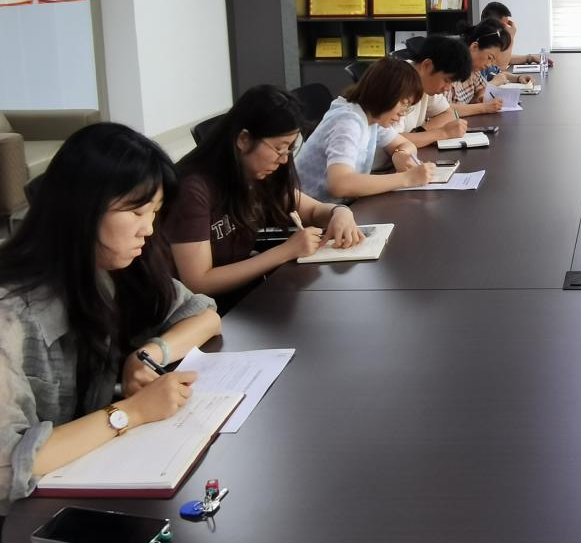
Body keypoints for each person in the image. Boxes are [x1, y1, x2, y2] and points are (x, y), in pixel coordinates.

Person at [0, 124, 221, 515]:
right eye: (137, 211)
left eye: (154, 213)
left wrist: (148, 353)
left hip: (87, 479)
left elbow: (204, 315)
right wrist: (131, 413)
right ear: (82, 208)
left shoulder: (111, 265)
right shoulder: (10, 314)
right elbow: (8, 467)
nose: (148, 229)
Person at [162, 85, 366, 304]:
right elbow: (198, 282)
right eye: (279, 148)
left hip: (244, 294)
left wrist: (340, 213)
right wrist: (286, 251)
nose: (284, 159)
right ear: (243, 139)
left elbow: (314, 210)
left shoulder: (256, 173)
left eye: (289, 148)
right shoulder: (193, 190)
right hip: (200, 308)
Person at [295, 57, 435, 202]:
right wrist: (406, 178)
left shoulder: (372, 118)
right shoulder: (348, 122)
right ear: (384, 95)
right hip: (309, 209)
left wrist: (400, 154)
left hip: (339, 206)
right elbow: (340, 184)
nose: (403, 113)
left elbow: (406, 144)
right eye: (403, 104)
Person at [381, 35, 473, 155]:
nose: (447, 89)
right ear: (427, 66)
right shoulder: (397, 82)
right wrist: (443, 133)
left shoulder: (426, 83)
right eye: (446, 80)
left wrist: (421, 133)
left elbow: (448, 114)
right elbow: (390, 142)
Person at [443, 20, 509, 116]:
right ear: (474, 47)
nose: (489, 65)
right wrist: (483, 108)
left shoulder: (474, 70)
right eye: (489, 58)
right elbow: (443, 109)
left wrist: (480, 96)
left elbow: (481, 89)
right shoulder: (448, 69)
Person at [480, 1, 552, 72]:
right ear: (492, 24)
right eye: (504, 26)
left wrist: (530, 58)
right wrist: (510, 37)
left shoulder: (488, 38)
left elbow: (502, 59)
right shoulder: (479, 42)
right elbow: (500, 67)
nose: (506, 29)